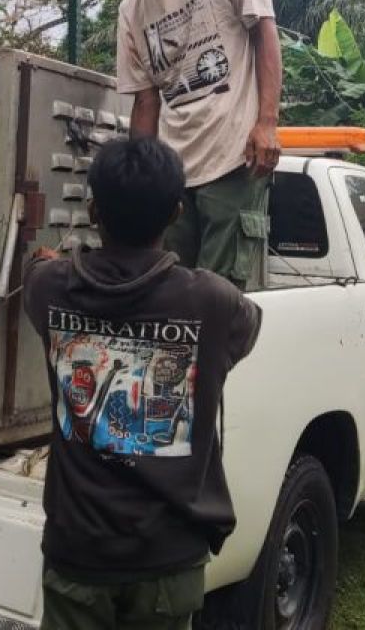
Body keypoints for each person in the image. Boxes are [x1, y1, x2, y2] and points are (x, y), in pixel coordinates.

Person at [22, 137, 263, 630]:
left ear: (93, 209)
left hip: (78, 552)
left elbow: (37, 270)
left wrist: (50, 262)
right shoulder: (214, 301)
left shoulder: (50, 287)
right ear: (177, 212)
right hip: (168, 557)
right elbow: (248, 327)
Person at [84, 0, 283, 292]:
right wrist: (139, 181)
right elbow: (145, 101)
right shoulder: (132, 9)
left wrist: (267, 122)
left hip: (234, 158)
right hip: (172, 177)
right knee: (162, 291)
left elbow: (265, 33)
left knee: (217, 294)